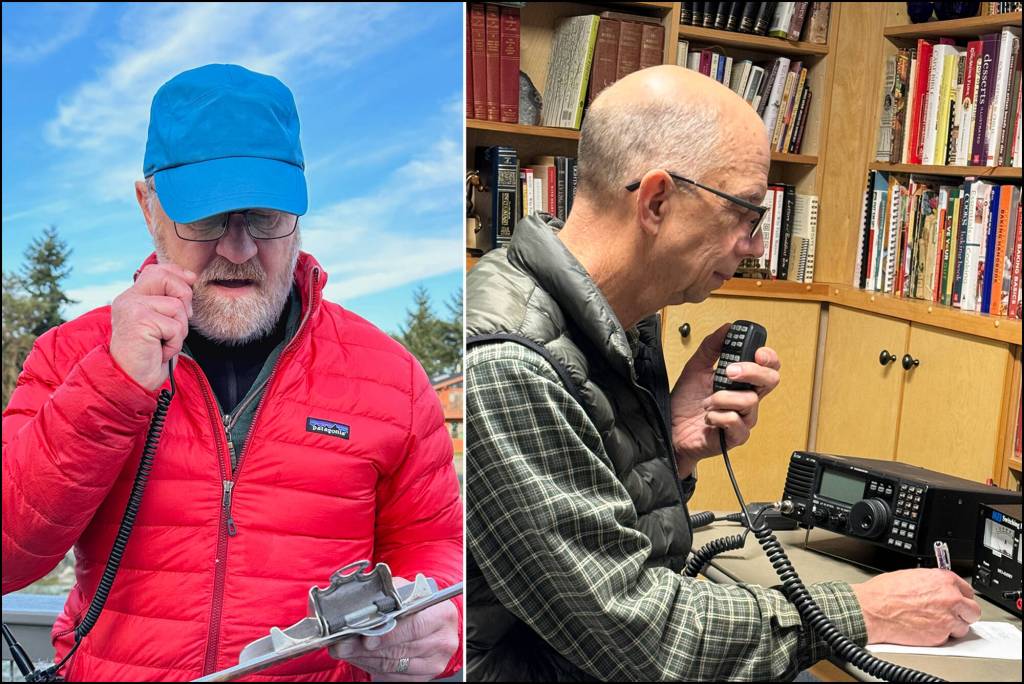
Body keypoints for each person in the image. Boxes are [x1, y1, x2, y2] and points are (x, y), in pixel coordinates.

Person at [465, 65, 981, 681]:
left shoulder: (615, 319)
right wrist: (861, 609)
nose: (755, 245)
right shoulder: (508, 364)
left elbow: (599, 551)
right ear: (656, 201)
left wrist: (675, 455)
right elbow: (639, 639)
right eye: (746, 213)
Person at [2, 64, 462, 682]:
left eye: (266, 216)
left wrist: (441, 619)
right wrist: (109, 389)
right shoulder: (71, 357)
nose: (239, 248)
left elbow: (435, 543)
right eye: (207, 217)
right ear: (149, 208)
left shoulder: (394, 378)